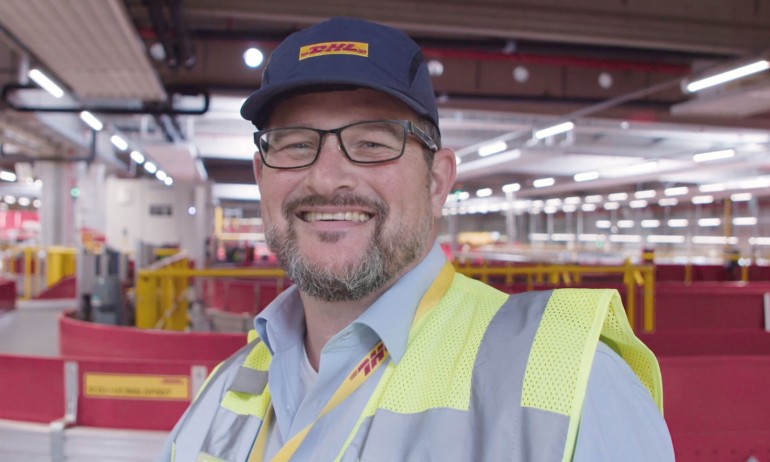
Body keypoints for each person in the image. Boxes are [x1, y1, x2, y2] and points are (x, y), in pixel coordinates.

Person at [159, 17, 674, 461]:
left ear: (437, 182)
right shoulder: (220, 395)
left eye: (371, 143)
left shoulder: (569, 382)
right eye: (295, 145)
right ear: (261, 175)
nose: (326, 177)